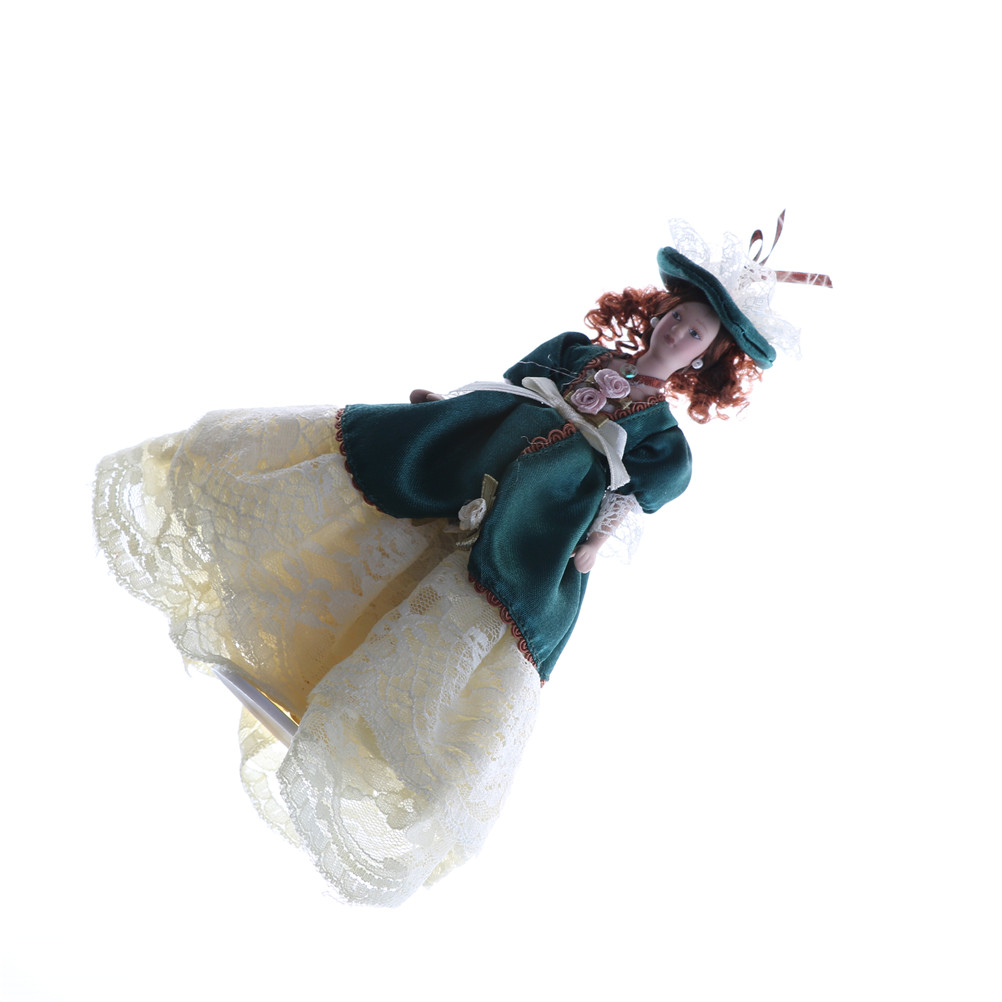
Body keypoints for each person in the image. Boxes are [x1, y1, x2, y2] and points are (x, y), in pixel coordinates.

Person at [93, 217, 828, 906]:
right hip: (468, 456)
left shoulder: (663, 438)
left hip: (536, 527)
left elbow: (630, 501)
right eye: (676, 316)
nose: (677, 332)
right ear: (659, 312)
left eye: (695, 333)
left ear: (704, 357)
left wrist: (597, 539)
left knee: (451, 612)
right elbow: (508, 387)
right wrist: (440, 404)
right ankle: (281, 647)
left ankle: (352, 738)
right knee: (382, 546)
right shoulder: (577, 351)